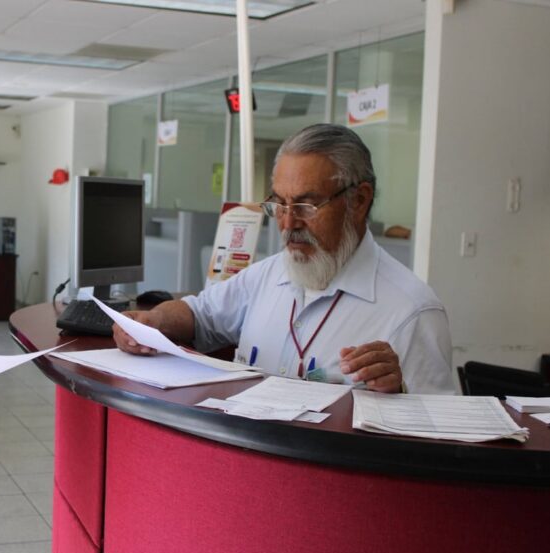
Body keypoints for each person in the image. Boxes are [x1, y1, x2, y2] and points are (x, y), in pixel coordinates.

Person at [114, 123, 454, 395]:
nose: (288, 223)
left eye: (306, 206)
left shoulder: (412, 312)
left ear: (359, 200)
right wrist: (151, 323)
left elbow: (439, 444)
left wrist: (400, 392)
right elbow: (199, 314)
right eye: (279, 204)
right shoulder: (267, 274)